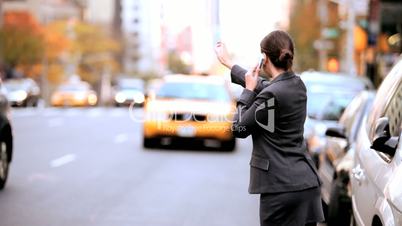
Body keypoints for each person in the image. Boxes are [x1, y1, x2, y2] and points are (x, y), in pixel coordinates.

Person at [214, 30, 324, 226]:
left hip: (281, 189)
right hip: (306, 186)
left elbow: (239, 129)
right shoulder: (298, 85)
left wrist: (247, 92)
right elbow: (264, 85)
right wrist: (230, 64)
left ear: (264, 58)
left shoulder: (271, 95)